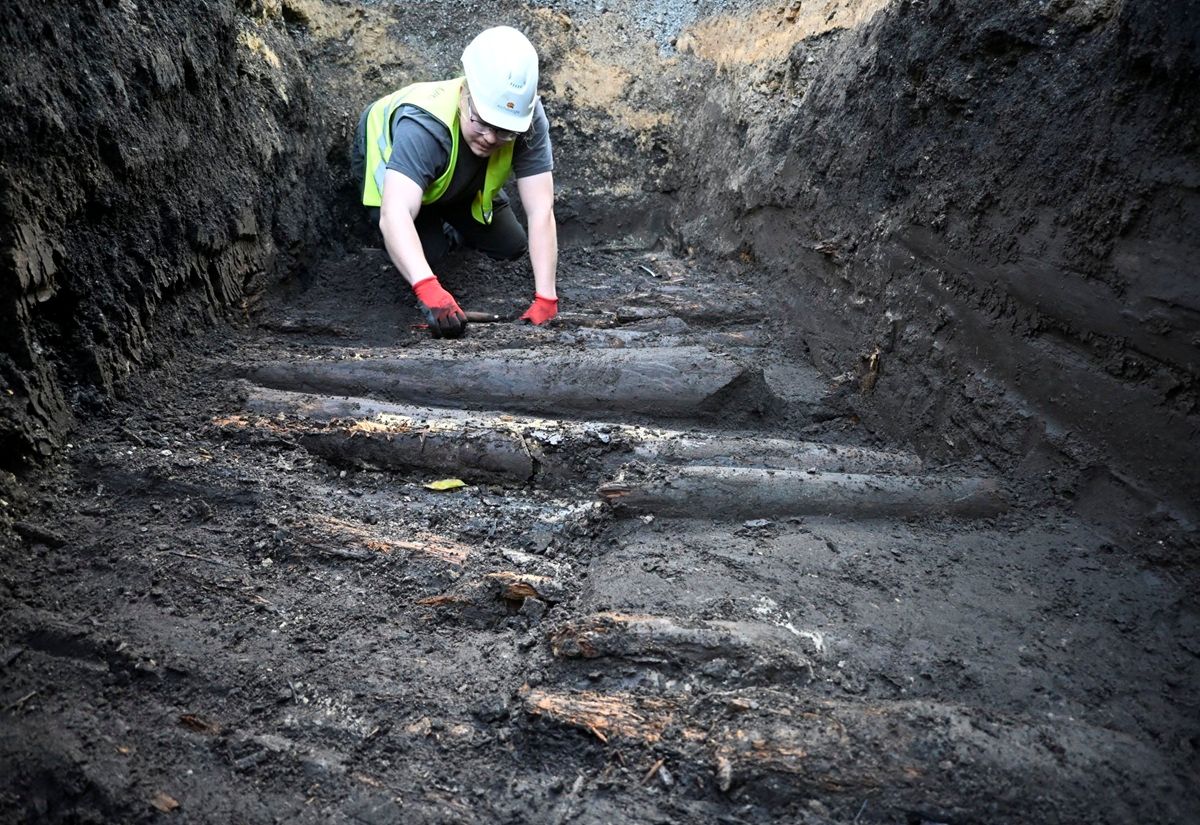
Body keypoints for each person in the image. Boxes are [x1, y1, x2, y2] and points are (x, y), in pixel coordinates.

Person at [352, 26, 558, 338]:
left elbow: (541, 209)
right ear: (465, 94)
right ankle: (429, 225)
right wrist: (428, 289)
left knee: (511, 246)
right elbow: (395, 213)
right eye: (483, 123)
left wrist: (546, 298)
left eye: (504, 131)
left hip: (452, 174)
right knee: (428, 257)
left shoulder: (525, 119)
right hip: (398, 177)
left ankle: (450, 216)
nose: (491, 138)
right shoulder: (422, 126)